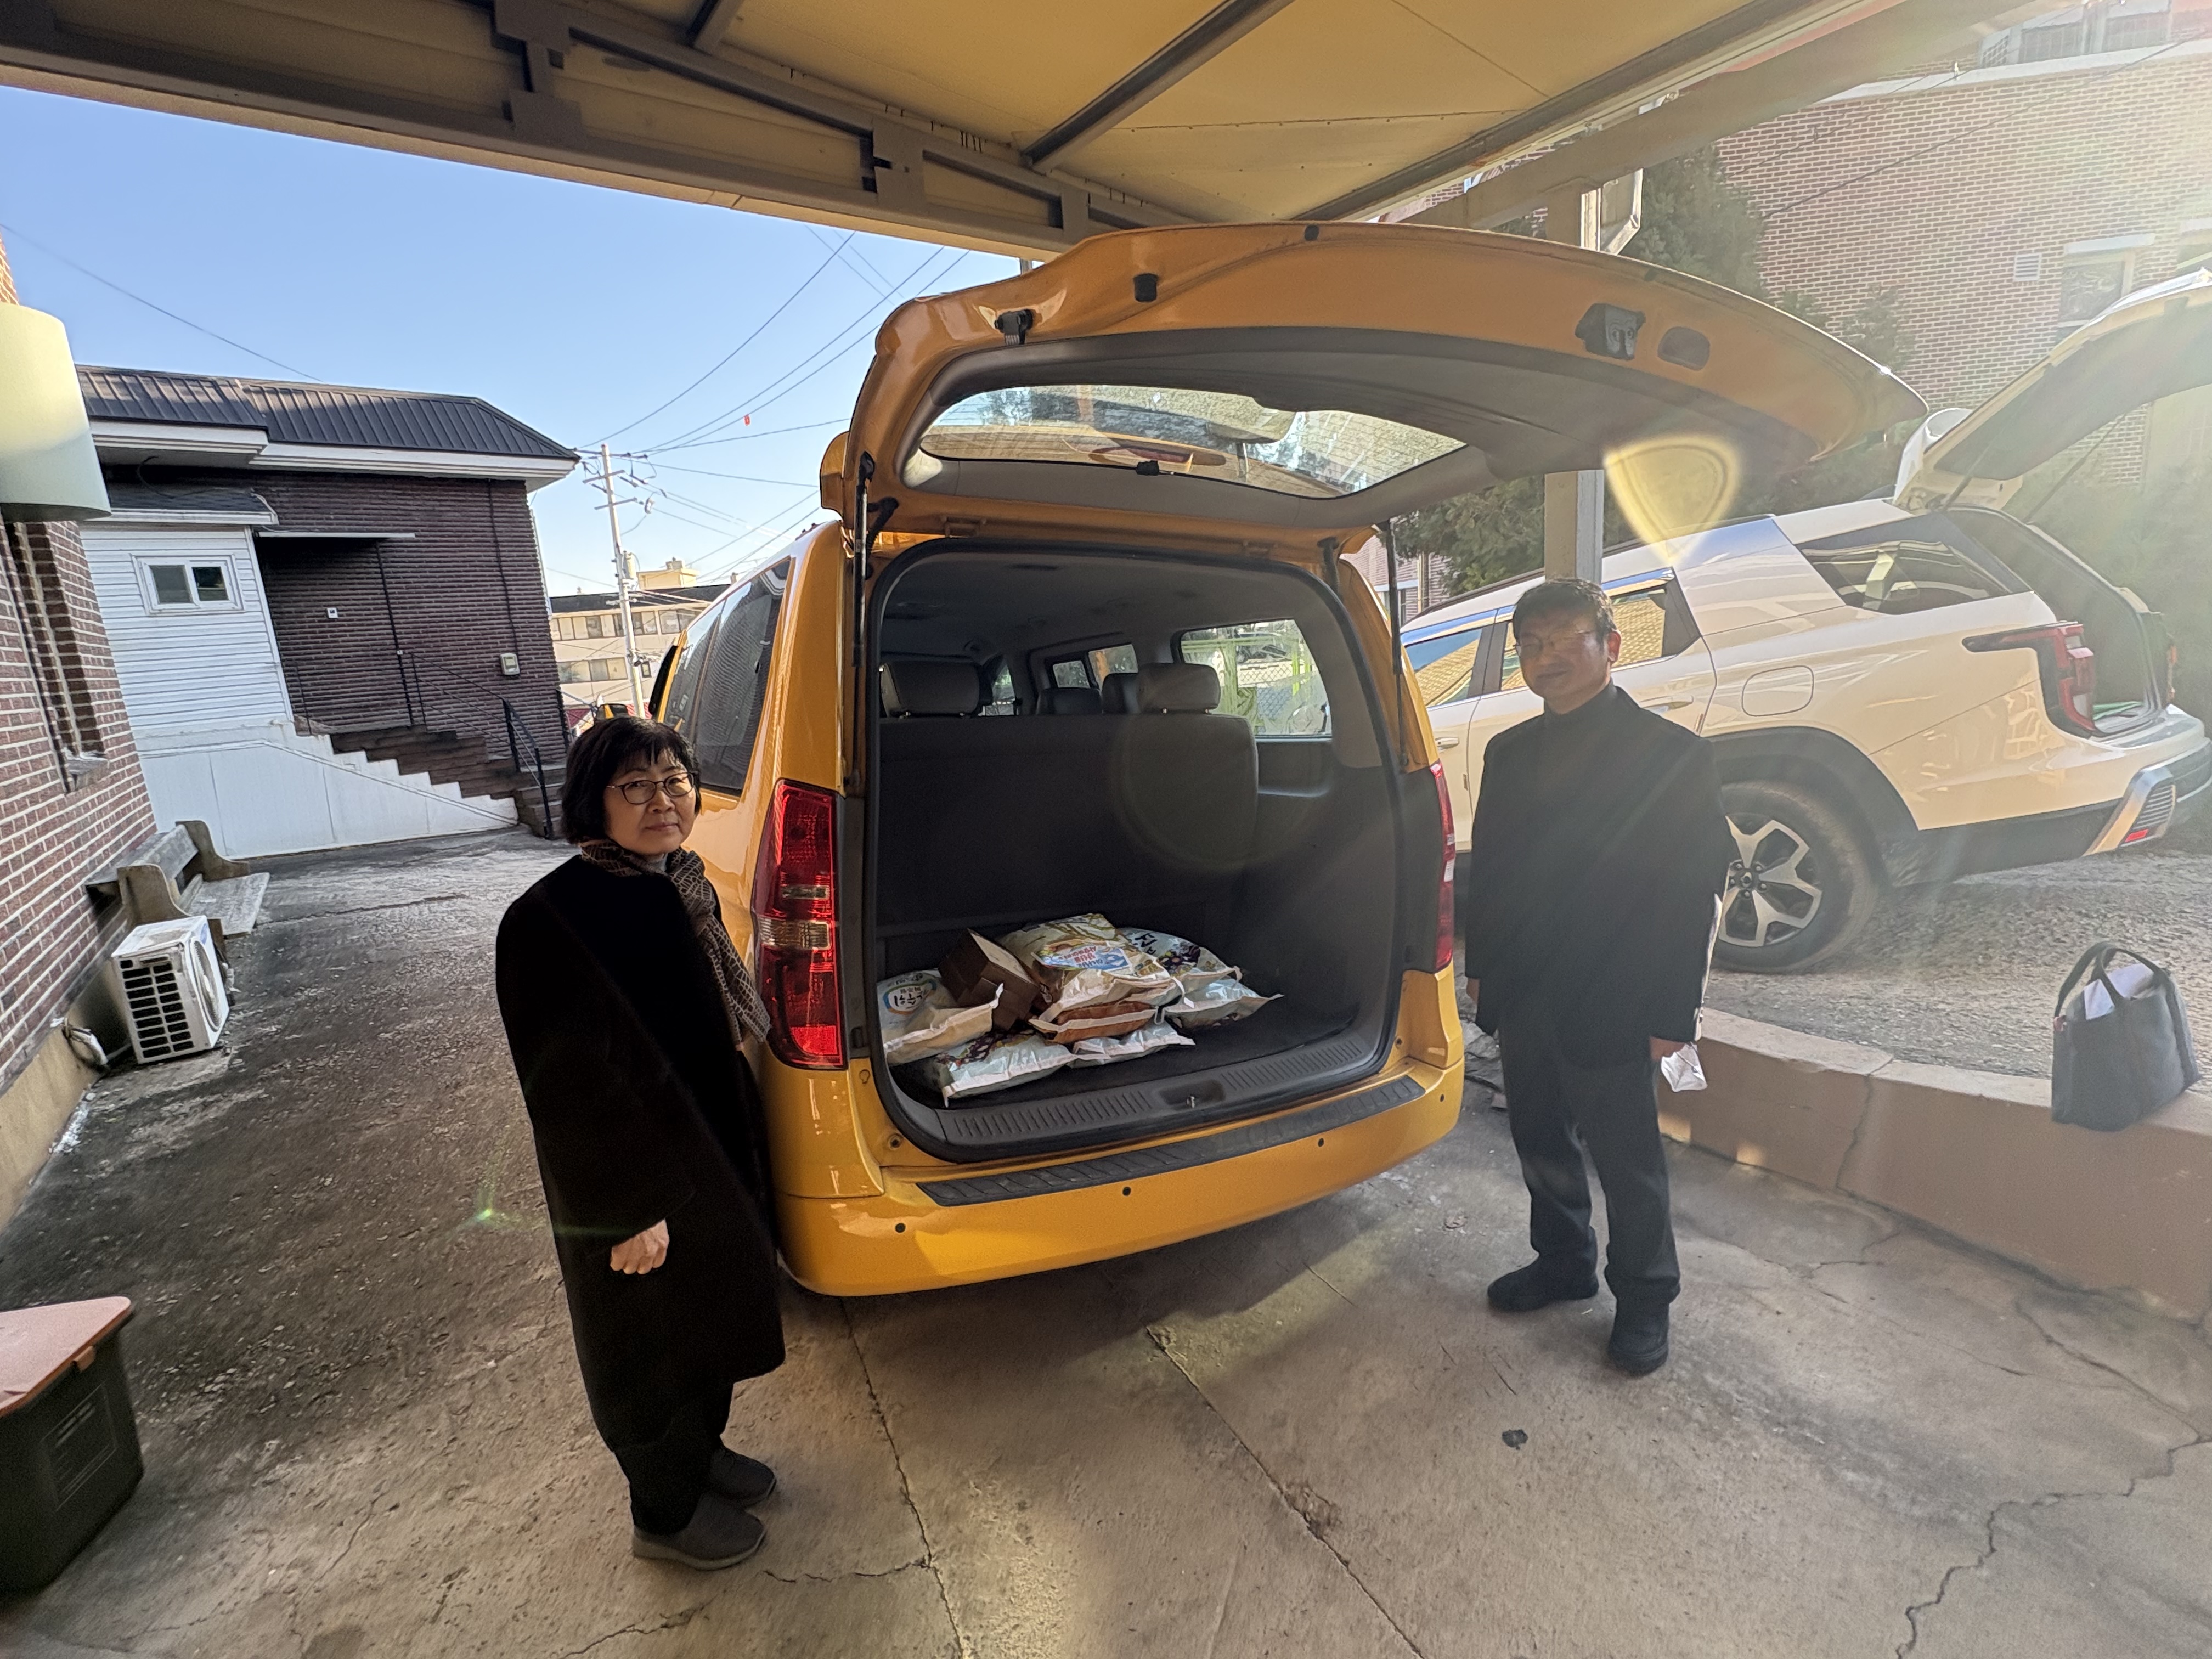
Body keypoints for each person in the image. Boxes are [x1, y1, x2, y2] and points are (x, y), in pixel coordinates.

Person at [495, 715, 786, 1567]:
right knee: (650, 1345)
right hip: (637, 1178)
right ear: (595, 801)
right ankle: (663, 1512)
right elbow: (567, 1086)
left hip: (708, 1150)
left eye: (675, 780)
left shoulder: (680, 885)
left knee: (710, 1323)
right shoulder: (550, 918)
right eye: (636, 785)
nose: (663, 800)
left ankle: (702, 1456)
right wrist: (628, 1207)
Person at [1461, 579, 1732, 1375]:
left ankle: (1646, 1297)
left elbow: (1693, 894)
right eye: (1530, 644)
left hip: (1618, 994)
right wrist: (1485, 973)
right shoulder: (1510, 752)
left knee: (1627, 1158)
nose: (1545, 657)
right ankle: (1564, 1260)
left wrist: (1675, 1013)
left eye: (1563, 638)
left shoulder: (1673, 756)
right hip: (1528, 989)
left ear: (1611, 646)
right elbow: (1492, 872)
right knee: (1538, 1136)